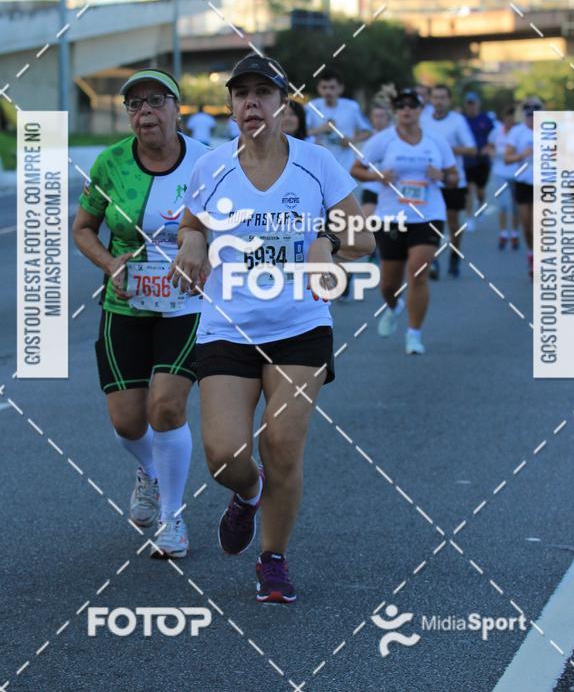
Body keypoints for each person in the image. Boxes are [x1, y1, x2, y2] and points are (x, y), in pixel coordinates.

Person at [170, 53, 375, 603]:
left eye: (263, 93)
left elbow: (363, 238)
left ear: (284, 104)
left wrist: (326, 243)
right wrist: (193, 241)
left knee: (282, 444)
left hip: (300, 326)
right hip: (227, 327)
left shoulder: (317, 163)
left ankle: (273, 558)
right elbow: (191, 224)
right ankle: (247, 491)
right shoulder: (211, 166)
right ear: (231, 106)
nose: (252, 103)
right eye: (242, 94)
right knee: (225, 457)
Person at [72, 68, 208, 559]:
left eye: (156, 101)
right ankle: (150, 470)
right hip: (126, 303)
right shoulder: (110, 163)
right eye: (135, 104)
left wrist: (204, 251)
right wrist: (111, 264)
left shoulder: (210, 163)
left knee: (166, 408)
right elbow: (83, 228)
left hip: (187, 304)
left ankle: (172, 518)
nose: (145, 111)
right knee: (128, 422)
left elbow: (236, 229)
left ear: (177, 108)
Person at [351, 88, 458, 354]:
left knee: (418, 272)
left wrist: (442, 176)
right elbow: (356, 169)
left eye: (411, 105)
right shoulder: (382, 140)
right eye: (400, 106)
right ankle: (393, 306)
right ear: (395, 111)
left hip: (428, 215)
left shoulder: (436, 141)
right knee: (389, 284)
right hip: (391, 216)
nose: (406, 110)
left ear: (421, 110)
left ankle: (414, 334)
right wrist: (377, 176)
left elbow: (454, 176)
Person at [421, 84, 476, 278]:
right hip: (428, 180)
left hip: (453, 179)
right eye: (436, 97)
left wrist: (445, 149)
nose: (439, 101)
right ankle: (433, 260)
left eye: (443, 97)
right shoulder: (423, 119)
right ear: (430, 99)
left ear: (449, 100)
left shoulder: (457, 121)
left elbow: (471, 149)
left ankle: (454, 255)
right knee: (429, 222)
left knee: (453, 223)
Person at [305, 68, 372, 171]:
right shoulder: (311, 107)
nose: (328, 91)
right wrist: (320, 129)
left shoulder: (352, 107)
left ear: (341, 88)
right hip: (318, 165)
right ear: (318, 88)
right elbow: (300, 134)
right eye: (324, 87)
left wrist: (352, 140)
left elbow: (368, 131)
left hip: (345, 166)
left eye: (332, 87)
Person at [504, 99, 542, 278]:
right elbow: (507, 158)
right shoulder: (516, 132)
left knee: (539, 224)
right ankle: (531, 252)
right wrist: (522, 154)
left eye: (536, 113)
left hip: (544, 183)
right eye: (529, 114)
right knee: (526, 225)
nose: (533, 117)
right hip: (523, 183)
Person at [488, 105, 520, 250]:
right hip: (500, 172)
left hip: (517, 173)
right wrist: (491, 152)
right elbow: (489, 147)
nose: (509, 122)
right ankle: (503, 233)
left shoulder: (519, 132)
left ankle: (515, 233)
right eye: (507, 119)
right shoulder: (496, 132)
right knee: (504, 204)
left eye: (512, 120)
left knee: (515, 206)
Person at [462, 91, 495, 230]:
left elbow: (494, 138)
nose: (471, 106)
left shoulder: (486, 120)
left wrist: (488, 148)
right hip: (467, 160)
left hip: (482, 160)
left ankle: (480, 206)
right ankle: (469, 217)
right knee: (469, 190)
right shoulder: (461, 120)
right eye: (469, 104)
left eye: (473, 103)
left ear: (478, 104)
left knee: (480, 191)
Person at [361, 101, 393, 219]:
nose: (378, 119)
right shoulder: (368, 138)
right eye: (375, 116)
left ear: (388, 118)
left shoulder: (396, 137)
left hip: (390, 188)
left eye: (382, 116)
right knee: (364, 221)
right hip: (371, 186)